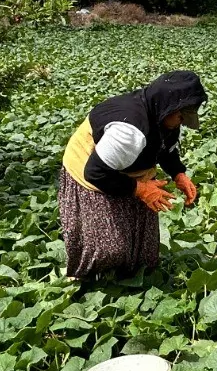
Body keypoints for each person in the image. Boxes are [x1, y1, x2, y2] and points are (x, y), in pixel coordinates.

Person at [59, 70, 208, 282]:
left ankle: (128, 278)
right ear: (169, 106)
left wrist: (178, 174)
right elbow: (95, 173)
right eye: (181, 117)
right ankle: (86, 282)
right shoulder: (129, 132)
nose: (182, 122)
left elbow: (166, 148)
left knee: (145, 255)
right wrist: (139, 189)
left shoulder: (164, 115)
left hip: (130, 169)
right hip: (90, 170)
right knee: (110, 249)